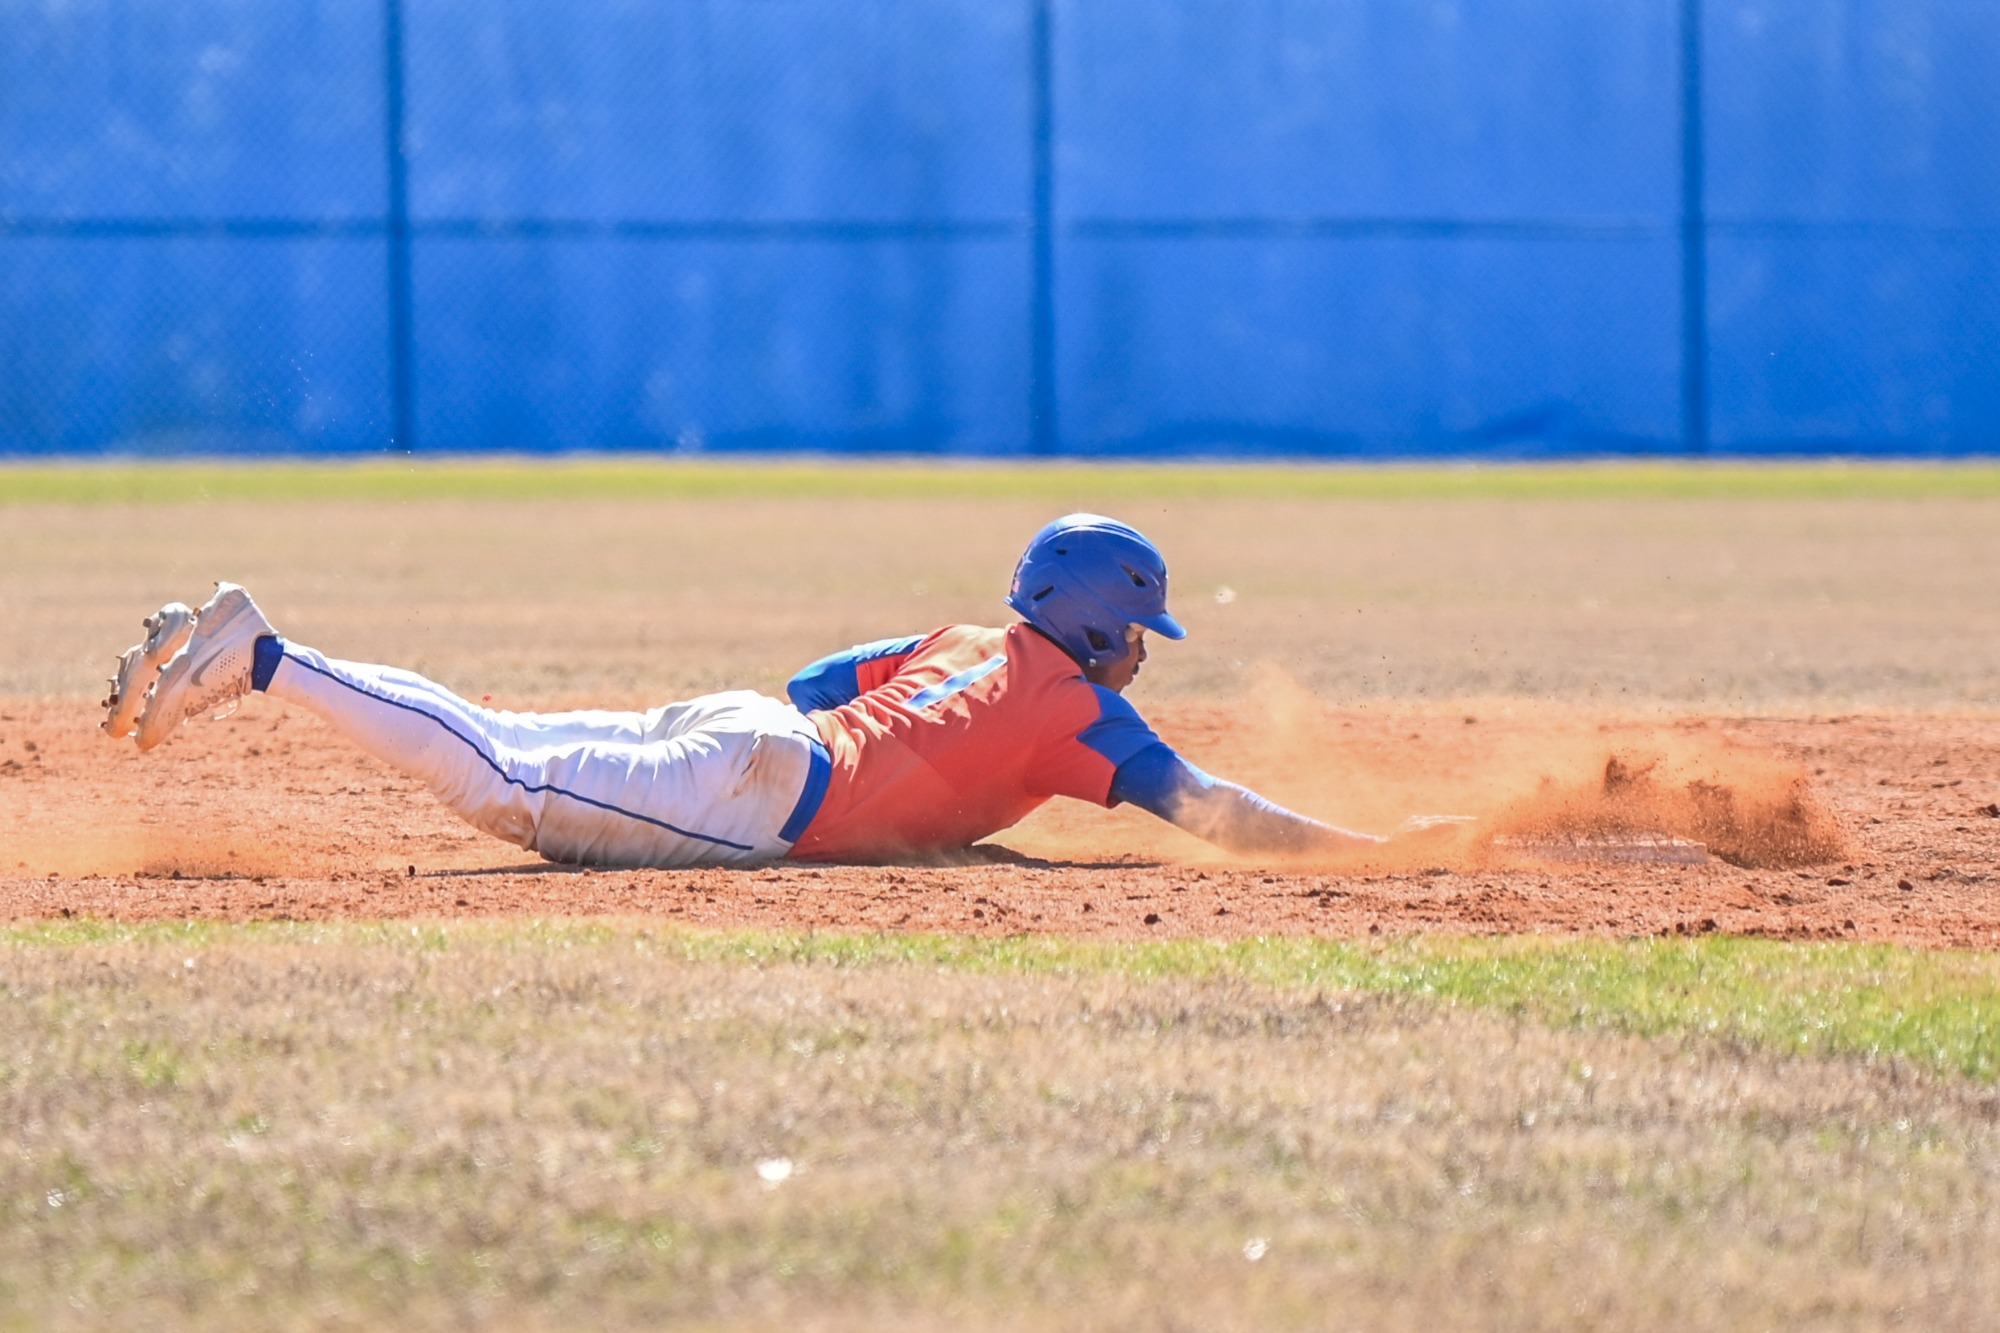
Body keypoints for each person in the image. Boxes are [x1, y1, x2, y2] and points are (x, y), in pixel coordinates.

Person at [103, 514, 1467, 868]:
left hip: (753, 731)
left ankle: (266, 651)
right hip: (765, 789)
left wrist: (933, 777)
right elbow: (1211, 807)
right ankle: (265, 656)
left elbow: (818, 680)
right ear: (1102, 622)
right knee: (500, 779)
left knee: (509, 743)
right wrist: (1369, 855)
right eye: (1138, 630)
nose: (1142, 653)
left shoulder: (962, 639)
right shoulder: (1079, 715)